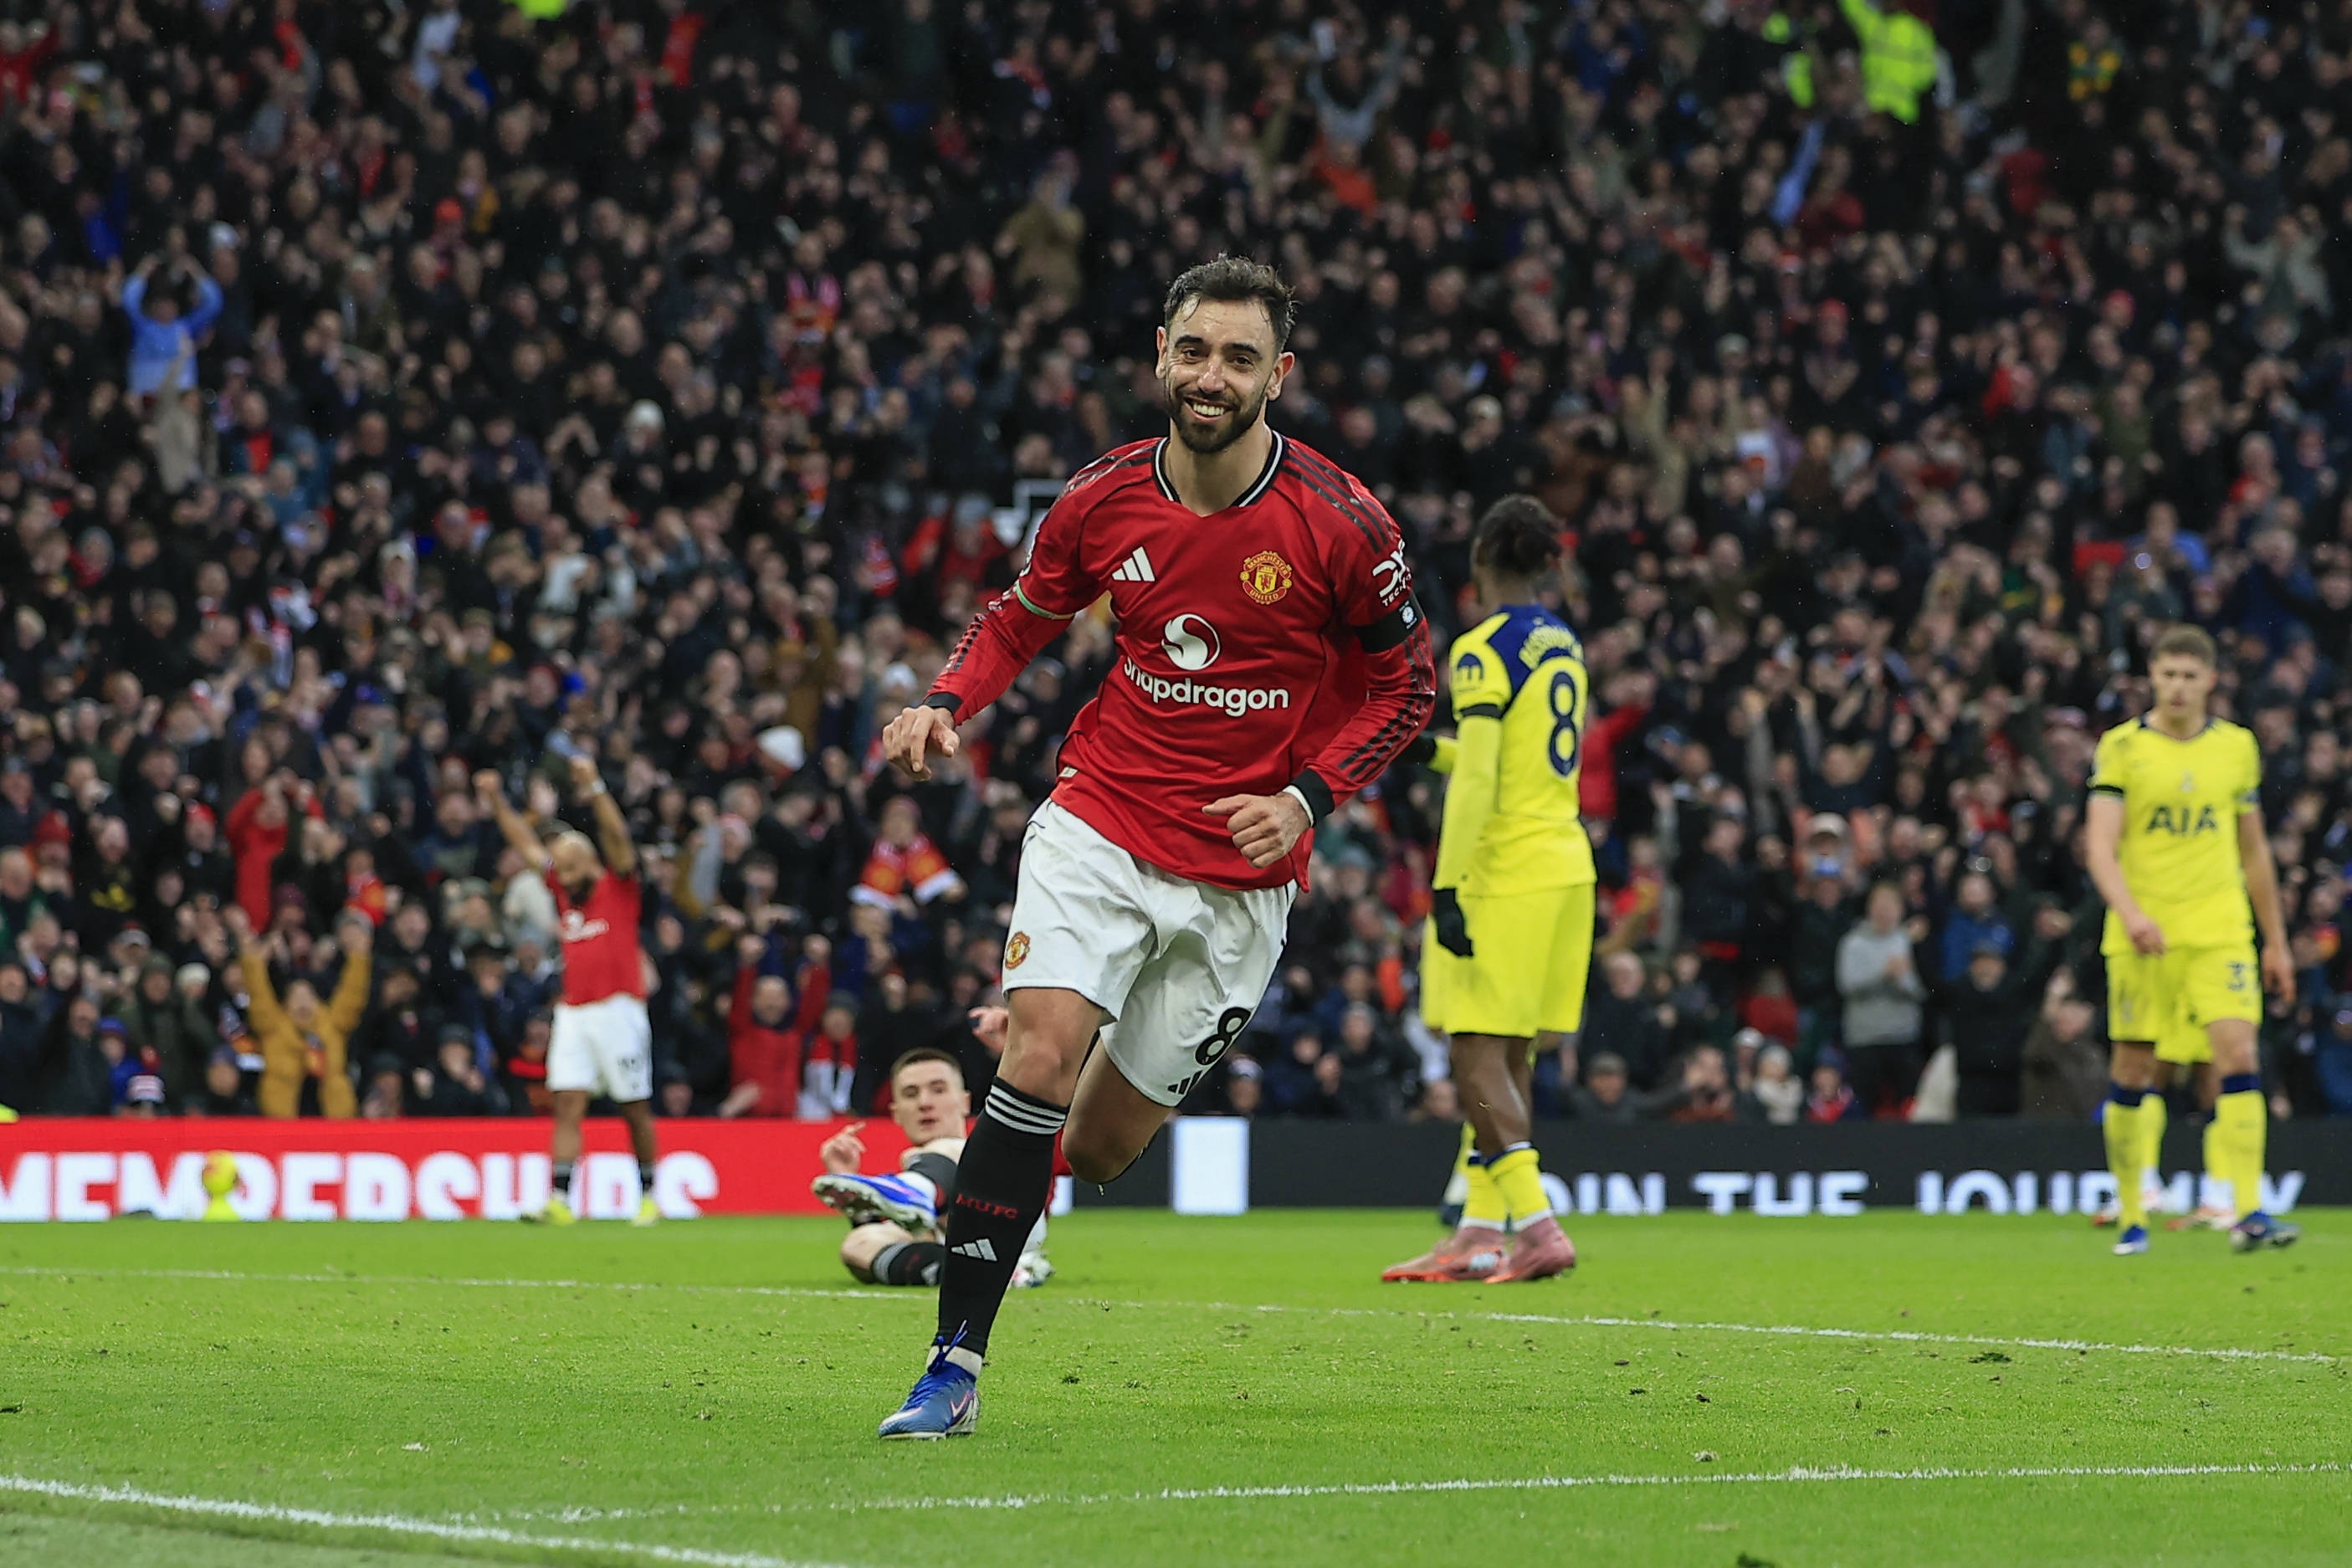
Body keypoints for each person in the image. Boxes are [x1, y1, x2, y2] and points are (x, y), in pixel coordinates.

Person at [870, 257, 1435, 1437]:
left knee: (1097, 1148)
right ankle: (952, 1364)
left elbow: (1406, 688)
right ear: (1160, 358)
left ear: (1278, 375)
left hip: (1241, 876)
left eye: (1238, 357)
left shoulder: (1342, 523)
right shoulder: (1101, 496)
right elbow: (1020, 614)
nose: (1210, 375)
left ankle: (977, 1146)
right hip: (1103, 816)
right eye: (1192, 350)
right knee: (1037, 1057)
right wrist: (944, 698)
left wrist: (1308, 797)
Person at [1383, 495, 1586, 1284]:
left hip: (1502, 871)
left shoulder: (1481, 649)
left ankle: (1535, 1227)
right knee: (1508, 1056)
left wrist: (1446, 885)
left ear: (1479, 561)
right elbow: (1502, 762)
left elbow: (1477, 788)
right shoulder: (1561, 643)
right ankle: (1477, 1230)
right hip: (1563, 864)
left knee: (1472, 1057)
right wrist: (1425, 751)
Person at [2087, 626, 2297, 1255]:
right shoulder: (2122, 748)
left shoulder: (2236, 748)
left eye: (2188, 675)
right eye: (2167, 674)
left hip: (2219, 929)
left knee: (2237, 1054)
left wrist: (2275, 942)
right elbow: (2099, 844)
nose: (2177, 686)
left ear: (2210, 680)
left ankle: (2250, 1210)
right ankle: (2132, 1213)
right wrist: (2130, 913)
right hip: (2142, 934)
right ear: (2152, 678)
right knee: (2135, 1069)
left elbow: (2253, 852)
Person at [478, 756, 660, 1227]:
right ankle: (559, 1199)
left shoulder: (619, 887)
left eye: (571, 867)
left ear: (591, 862)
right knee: (566, 1103)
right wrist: (496, 801)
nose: (562, 876)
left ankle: (650, 1195)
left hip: (620, 1008)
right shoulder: (563, 889)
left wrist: (595, 787)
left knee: (633, 1106)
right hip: (575, 1012)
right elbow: (523, 842)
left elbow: (618, 837)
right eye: (559, 868)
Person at [810, 1043, 1052, 1291]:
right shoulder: (918, 1163)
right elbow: (880, 1231)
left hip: (1007, 1230)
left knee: (953, 1151)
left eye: (938, 1090)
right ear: (896, 1113)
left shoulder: (985, 1148)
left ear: (965, 1102)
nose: (924, 1103)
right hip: (956, 1244)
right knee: (858, 1243)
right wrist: (848, 1182)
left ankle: (918, 1193)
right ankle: (982, 1274)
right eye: (911, 1094)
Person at [229, 904, 372, 1119]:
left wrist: (359, 959)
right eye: (296, 996)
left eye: (308, 996)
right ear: (286, 1004)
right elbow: (259, 997)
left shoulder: (332, 1023)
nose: (302, 1001)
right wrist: (253, 964)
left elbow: (352, 996)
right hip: (282, 1120)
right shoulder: (274, 1026)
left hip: (333, 1119)